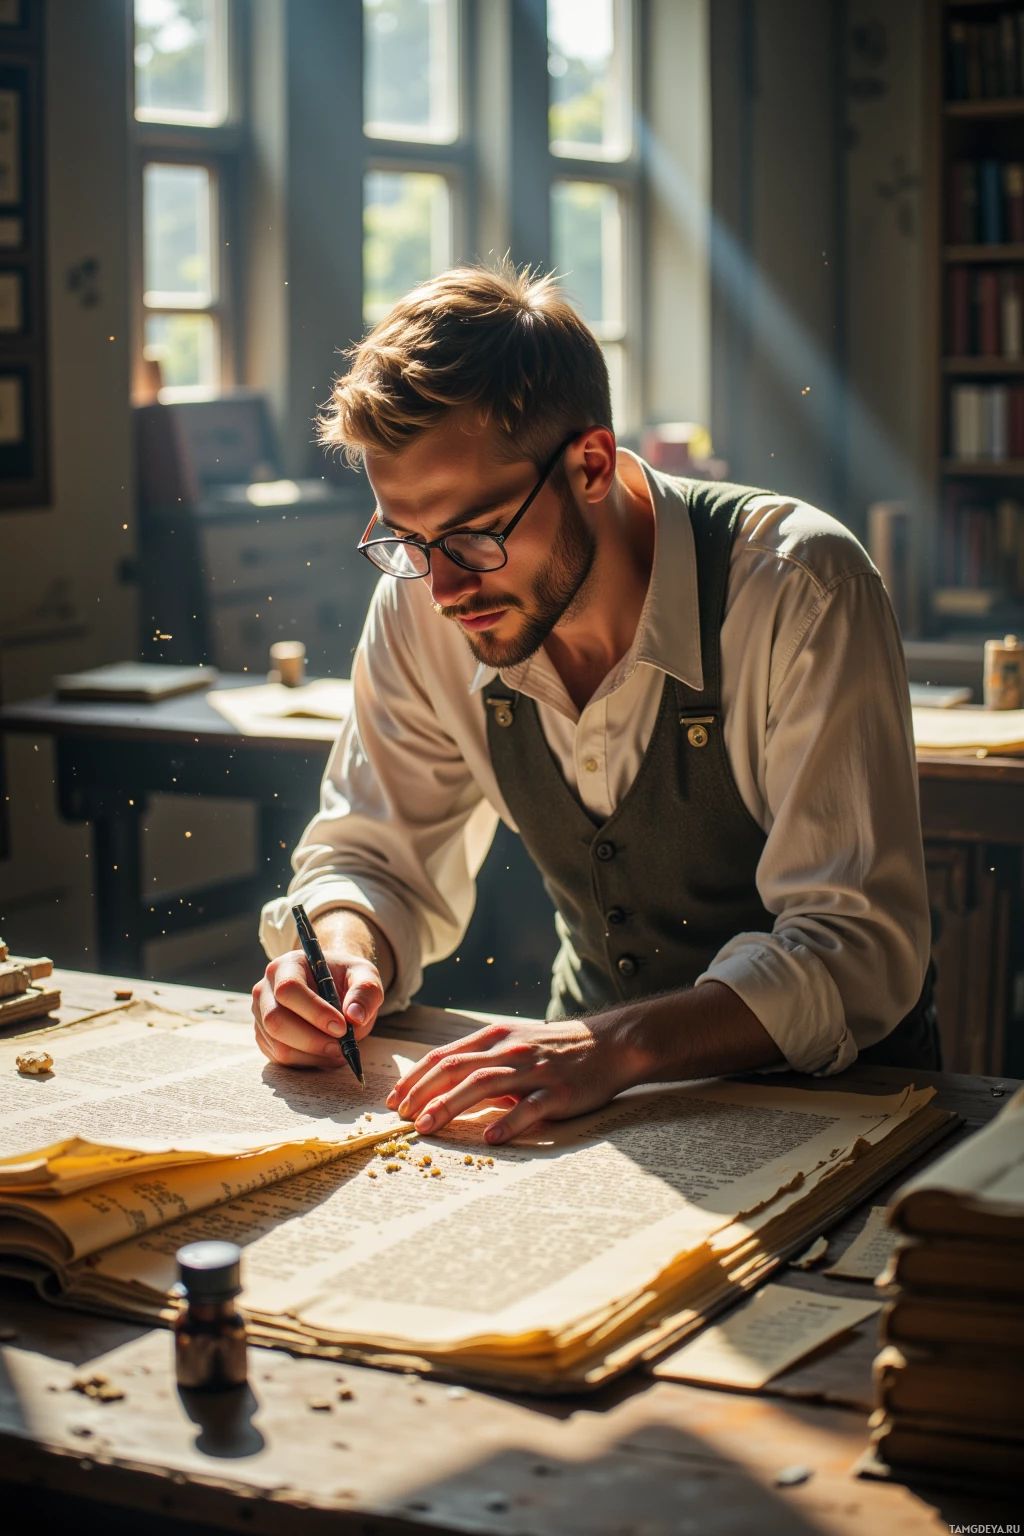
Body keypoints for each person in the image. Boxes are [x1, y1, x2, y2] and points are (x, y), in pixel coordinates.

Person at [253, 262, 936, 1148]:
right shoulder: (425, 600)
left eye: (476, 534)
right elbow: (373, 858)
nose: (446, 587)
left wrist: (614, 1045)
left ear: (591, 463)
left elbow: (857, 951)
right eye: (407, 541)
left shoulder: (799, 586)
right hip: (596, 1114)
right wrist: (344, 949)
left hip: (845, 1116)